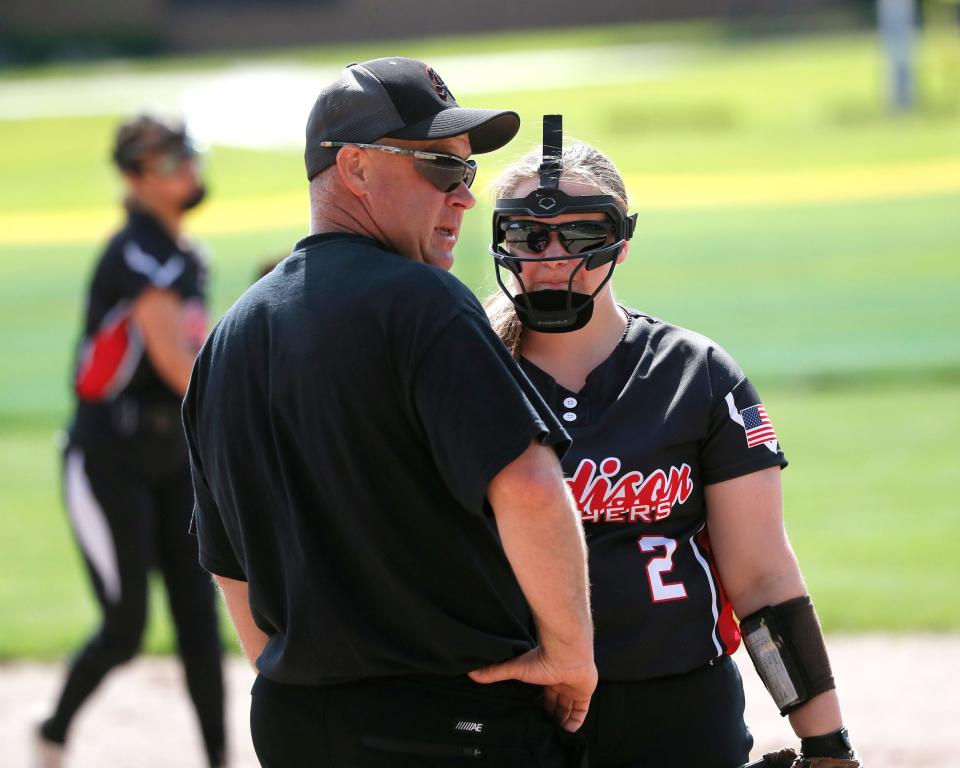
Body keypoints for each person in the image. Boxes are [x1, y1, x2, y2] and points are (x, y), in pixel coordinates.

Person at [181, 58, 596, 768]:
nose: (464, 198)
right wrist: (569, 654)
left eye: (467, 175)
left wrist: (299, 677)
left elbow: (228, 564)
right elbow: (528, 488)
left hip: (295, 724)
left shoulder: (231, 335)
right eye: (440, 168)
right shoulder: (424, 303)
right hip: (451, 722)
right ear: (354, 167)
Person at [482, 115, 861, 768]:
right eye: (527, 234)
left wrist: (825, 742)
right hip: (513, 714)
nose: (550, 257)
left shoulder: (696, 374)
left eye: (578, 234)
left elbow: (763, 579)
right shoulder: (466, 375)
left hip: (681, 708)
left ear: (622, 243)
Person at [35, 115, 226, 768]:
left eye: (186, 156)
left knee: (199, 618)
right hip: (108, 458)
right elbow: (179, 364)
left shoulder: (185, 253)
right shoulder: (138, 251)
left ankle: (219, 755)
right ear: (133, 178)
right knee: (125, 627)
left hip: (171, 457)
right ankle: (53, 732)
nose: (185, 170)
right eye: (166, 162)